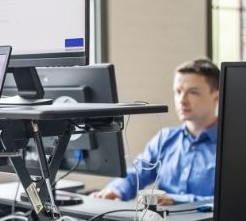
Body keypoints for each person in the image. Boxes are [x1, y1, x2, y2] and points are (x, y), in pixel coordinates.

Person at [93, 59, 220, 205]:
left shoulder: (233, 147)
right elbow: (137, 174)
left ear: (216, 97)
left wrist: (176, 200)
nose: (181, 100)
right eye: (178, 91)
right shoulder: (165, 138)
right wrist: (116, 190)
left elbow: (232, 202)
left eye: (193, 92)